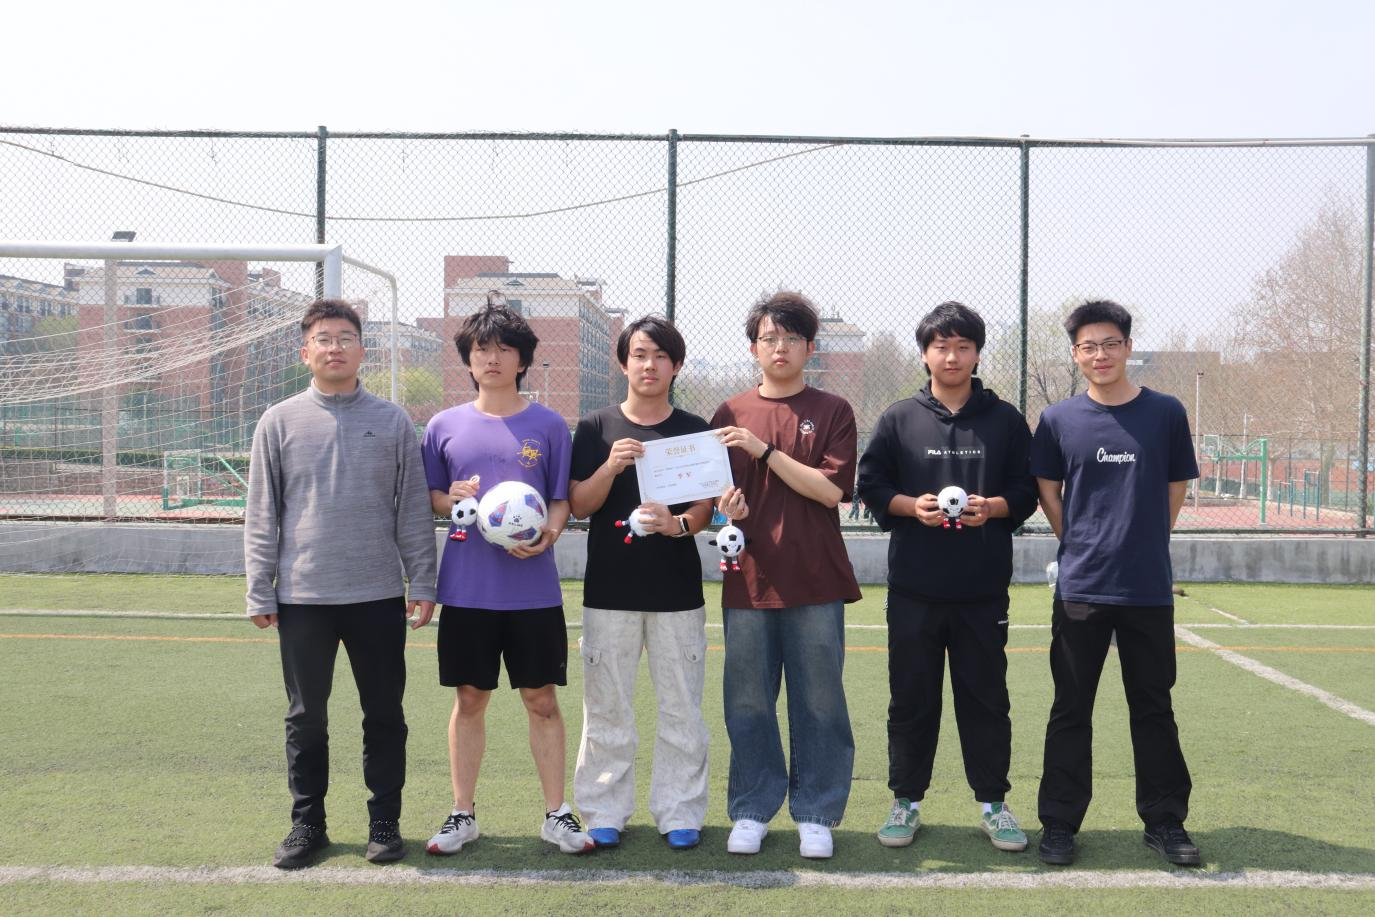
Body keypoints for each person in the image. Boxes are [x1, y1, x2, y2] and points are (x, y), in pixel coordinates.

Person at [245, 299, 438, 869]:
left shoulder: (394, 421)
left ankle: (385, 823)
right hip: (303, 596)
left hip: (377, 594)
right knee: (306, 718)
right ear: (305, 351)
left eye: (346, 338)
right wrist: (259, 586)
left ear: (362, 350)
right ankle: (308, 825)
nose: (335, 348)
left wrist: (422, 581)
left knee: (384, 713)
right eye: (324, 339)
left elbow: (411, 510)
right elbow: (262, 512)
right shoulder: (278, 421)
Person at [856, 301, 1037, 853]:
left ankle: (994, 805)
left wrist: (995, 507)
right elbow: (872, 485)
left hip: (982, 591)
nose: (952, 356)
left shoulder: (1005, 420)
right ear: (925, 354)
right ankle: (905, 802)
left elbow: (1028, 490)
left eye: (963, 346)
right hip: (915, 589)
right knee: (911, 700)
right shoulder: (899, 418)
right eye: (941, 346)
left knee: (986, 700)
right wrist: (911, 507)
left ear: (977, 353)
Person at [1031, 299, 1201, 867]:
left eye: (1109, 344)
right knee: (1070, 708)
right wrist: (1079, 541)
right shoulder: (1058, 420)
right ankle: (1059, 823)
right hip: (1080, 588)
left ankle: (1165, 821)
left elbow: (1175, 486)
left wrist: (1143, 539)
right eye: (1088, 346)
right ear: (1075, 354)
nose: (1099, 355)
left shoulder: (1166, 412)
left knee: (1153, 706)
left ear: (1128, 347)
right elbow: (1048, 489)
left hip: (1146, 587)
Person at [568, 316, 748, 851]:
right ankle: (604, 810)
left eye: (661, 356)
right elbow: (579, 505)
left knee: (681, 708)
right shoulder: (596, 427)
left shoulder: (694, 429)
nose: (649, 365)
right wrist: (609, 467)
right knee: (606, 708)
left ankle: (681, 811)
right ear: (623, 363)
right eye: (640, 355)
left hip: (676, 594)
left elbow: (706, 505)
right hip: (609, 592)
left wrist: (679, 525)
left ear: (676, 365)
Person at [420, 300, 591, 855]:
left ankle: (557, 813)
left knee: (541, 699)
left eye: (503, 349)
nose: (491, 358)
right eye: (481, 349)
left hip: (532, 591)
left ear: (522, 360)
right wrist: (452, 498)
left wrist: (550, 534)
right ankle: (462, 813)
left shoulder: (549, 426)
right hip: (467, 589)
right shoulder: (443, 426)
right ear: (467, 360)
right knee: (470, 698)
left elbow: (561, 500)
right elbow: (433, 497)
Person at [711, 290, 862, 860]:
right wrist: (728, 509)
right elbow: (715, 500)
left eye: (791, 338)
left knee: (820, 701)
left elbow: (830, 491)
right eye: (769, 338)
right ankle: (751, 808)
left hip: (816, 577)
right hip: (747, 579)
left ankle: (816, 812)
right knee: (748, 700)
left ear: (809, 348)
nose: (780, 348)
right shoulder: (727, 414)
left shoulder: (834, 410)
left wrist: (765, 452)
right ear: (753, 348)